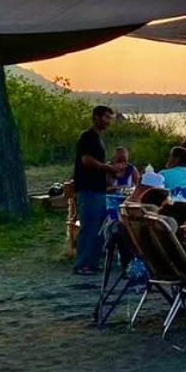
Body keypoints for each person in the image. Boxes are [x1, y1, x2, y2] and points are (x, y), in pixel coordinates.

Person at [72, 105, 115, 274]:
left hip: (99, 188)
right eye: (106, 117)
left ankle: (93, 262)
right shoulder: (88, 136)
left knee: (99, 226)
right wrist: (107, 168)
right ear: (96, 117)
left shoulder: (98, 138)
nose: (109, 121)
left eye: (110, 118)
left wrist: (108, 176)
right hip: (89, 188)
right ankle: (82, 264)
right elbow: (86, 160)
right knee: (89, 225)